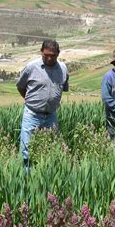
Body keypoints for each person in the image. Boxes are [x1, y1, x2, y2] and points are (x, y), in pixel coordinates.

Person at [16, 39, 69, 170]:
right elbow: (20, 86)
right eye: (46, 55)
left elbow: (63, 88)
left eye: (53, 55)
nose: (50, 58)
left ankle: (46, 177)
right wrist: (30, 101)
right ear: (41, 52)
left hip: (51, 116)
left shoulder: (63, 69)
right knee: (27, 151)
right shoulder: (31, 67)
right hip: (32, 115)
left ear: (58, 54)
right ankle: (27, 180)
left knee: (51, 150)